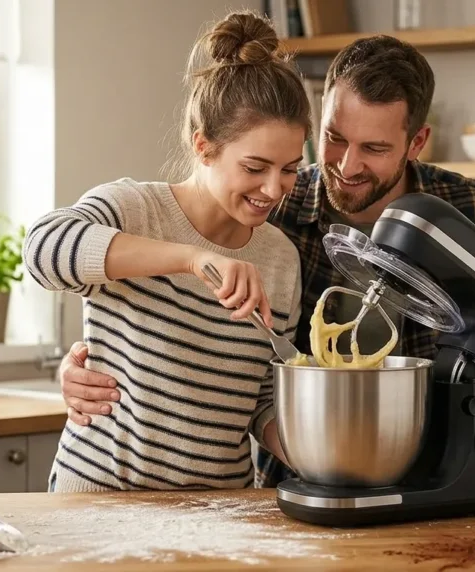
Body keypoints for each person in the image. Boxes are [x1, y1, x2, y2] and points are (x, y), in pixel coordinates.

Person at [56, 33, 475, 491]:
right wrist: (94, 360)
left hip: (432, 469)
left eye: (374, 148)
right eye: (334, 137)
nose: (345, 164)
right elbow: (202, 323)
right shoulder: (275, 207)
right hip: (298, 477)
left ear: (416, 141)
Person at [22, 10, 308, 492]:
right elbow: (43, 249)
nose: (274, 188)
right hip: (100, 504)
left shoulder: (280, 258)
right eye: (256, 167)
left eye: (291, 169)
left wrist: (321, 453)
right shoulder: (135, 209)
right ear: (204, 146)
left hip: (219, 515)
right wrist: (192, 259)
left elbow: (261, 397)